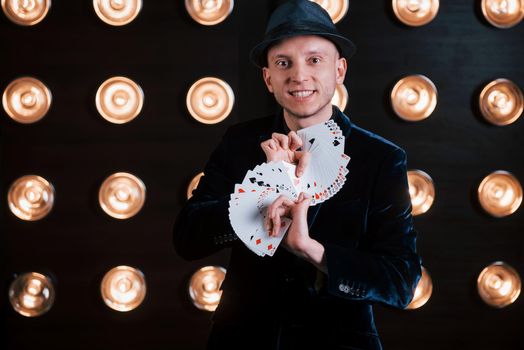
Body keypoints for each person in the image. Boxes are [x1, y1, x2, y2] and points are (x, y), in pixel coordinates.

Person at [173, 1, 422, 349]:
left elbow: (401, 281)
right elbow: (187, 238)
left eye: (314, 60)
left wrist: (312, 250)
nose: (299, 75)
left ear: (340, 70)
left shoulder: (381, 158)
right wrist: (256, 207)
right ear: (268, 78)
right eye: (283, 63)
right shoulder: (240, 142)